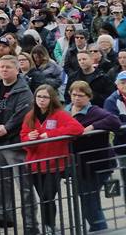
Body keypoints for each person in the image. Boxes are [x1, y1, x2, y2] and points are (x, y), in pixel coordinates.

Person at [0, 55, 35, 230]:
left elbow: (22, 114)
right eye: (1, 67)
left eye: (8, 67)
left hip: (15, 144)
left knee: (24, 187)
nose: (3, 70)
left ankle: (31, 223)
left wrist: (5, 129)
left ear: (17, 69)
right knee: (1, 183)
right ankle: (4, 216)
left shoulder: (24, 91)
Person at [21, 84, 84, 233]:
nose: (41, 100)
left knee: (47, 196)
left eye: (45, 97)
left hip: (54, 164)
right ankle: (47, 225)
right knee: (43, 198)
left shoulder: (59, 114)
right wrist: (29, 138)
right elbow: (23, 137)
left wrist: (51, 134)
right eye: (39, 96)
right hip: (35, 164)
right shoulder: (30, 115)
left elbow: (77, 129)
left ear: (52, 99)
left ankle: (49, 225)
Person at [68, 80, 122, 232]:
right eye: (74, 94)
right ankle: (98, 227)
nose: (77, 98)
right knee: (87, 197)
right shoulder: (66, 110)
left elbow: (113, 120)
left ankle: (99, 227)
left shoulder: (94, 111)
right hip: (80, 164)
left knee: (89, 197)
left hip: (99, 163)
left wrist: (91, 127)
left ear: (88, 97)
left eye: (81, 95)